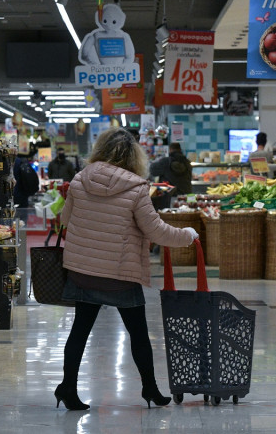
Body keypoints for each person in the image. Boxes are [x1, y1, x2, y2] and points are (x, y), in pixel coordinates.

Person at [55, 127, 198, 411]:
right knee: (138, 334)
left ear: (100, 150)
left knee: (79, 332)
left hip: (83, 271)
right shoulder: (136, 188)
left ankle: (67, 387)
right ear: (134, 156)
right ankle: (150, 389)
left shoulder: (80, 180)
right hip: (119, 275)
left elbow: (65, 219)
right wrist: (189, 235)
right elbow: (156, 231)